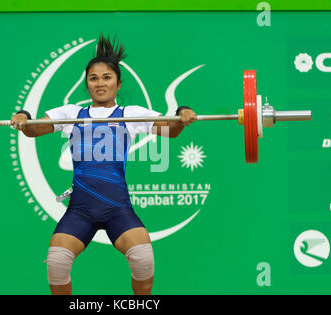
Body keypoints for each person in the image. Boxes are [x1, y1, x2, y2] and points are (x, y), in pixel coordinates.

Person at [11, 35, 196, 295]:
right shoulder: (71, 114)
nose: (100, 83)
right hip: (80, 212)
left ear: (118, 84)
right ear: (86, 84)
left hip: (117, 210)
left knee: (143, 259)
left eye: (107, 77)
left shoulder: (132, 114)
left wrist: (182, 113)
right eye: (94, 78)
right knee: (56, 262)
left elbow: (171, 131)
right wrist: (24, 118)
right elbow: (32, 130)